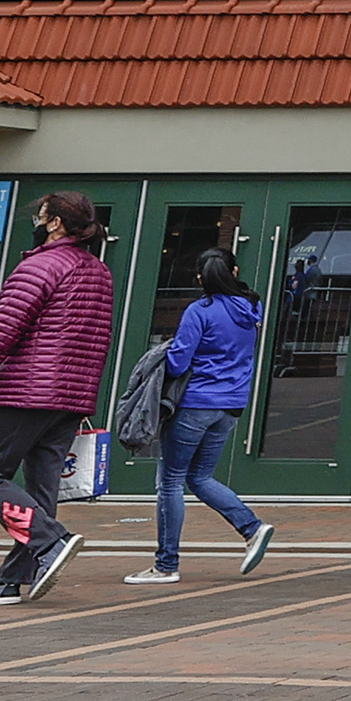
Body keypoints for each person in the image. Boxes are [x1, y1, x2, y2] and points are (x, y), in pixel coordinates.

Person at [0, 188, 118, 607]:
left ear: (54, 223)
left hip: (27, 390)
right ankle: (9, 580)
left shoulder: (38, 268)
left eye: (41, 214)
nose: (36, 220)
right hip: (70, 395)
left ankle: (51, 543)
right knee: (41, 490)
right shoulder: (98, 271)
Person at [130, 246, 276, 585]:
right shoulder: (254, 306)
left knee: (170, 481)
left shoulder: (200, 311)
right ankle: (252, 528)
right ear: (234, 272)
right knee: (200, 477)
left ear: (200, 278)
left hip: (196, 403)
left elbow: (179, 362)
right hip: (231, 405)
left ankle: (166, 565)